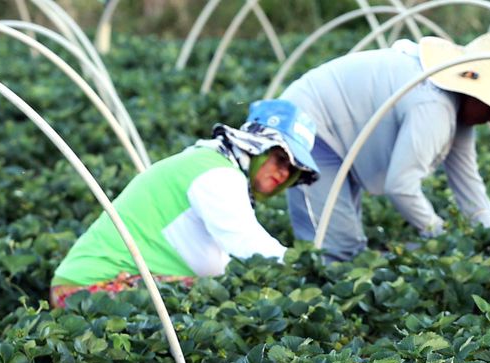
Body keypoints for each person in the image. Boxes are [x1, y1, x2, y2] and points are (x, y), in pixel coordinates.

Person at [279, 32, 490, 261]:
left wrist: (487, 234)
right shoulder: (433, 107)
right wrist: (440, 234)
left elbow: (467, 179)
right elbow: (400, 186)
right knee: (333, 248)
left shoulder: (457, 110)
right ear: (473, 92)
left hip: (341, 129)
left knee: (345, 244)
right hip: (308, 124)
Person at [49, 99, 321, 308]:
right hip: (87, 289)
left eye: (293, 169)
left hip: (94, 285)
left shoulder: (215, 165)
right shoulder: (217, 174)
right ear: (256, 148)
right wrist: (309, 271)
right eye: (280, 159)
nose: (284, 173)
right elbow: (248, 244)